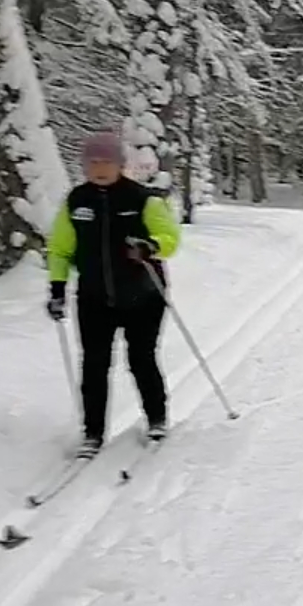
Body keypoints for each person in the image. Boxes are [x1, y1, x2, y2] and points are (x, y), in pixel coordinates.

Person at [45, 131, 183, 458]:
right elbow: (61, 249)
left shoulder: (142, 199)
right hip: (94, 298)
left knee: (141, 359)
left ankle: (157, 417)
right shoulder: (77, 201)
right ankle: (93, 432)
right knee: (94, 366)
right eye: (93, 162)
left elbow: (171, 237)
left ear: (120, 164)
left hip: (143, 296)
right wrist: (57, 288)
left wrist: (151, 247)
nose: (100, 168)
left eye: (106, 161)